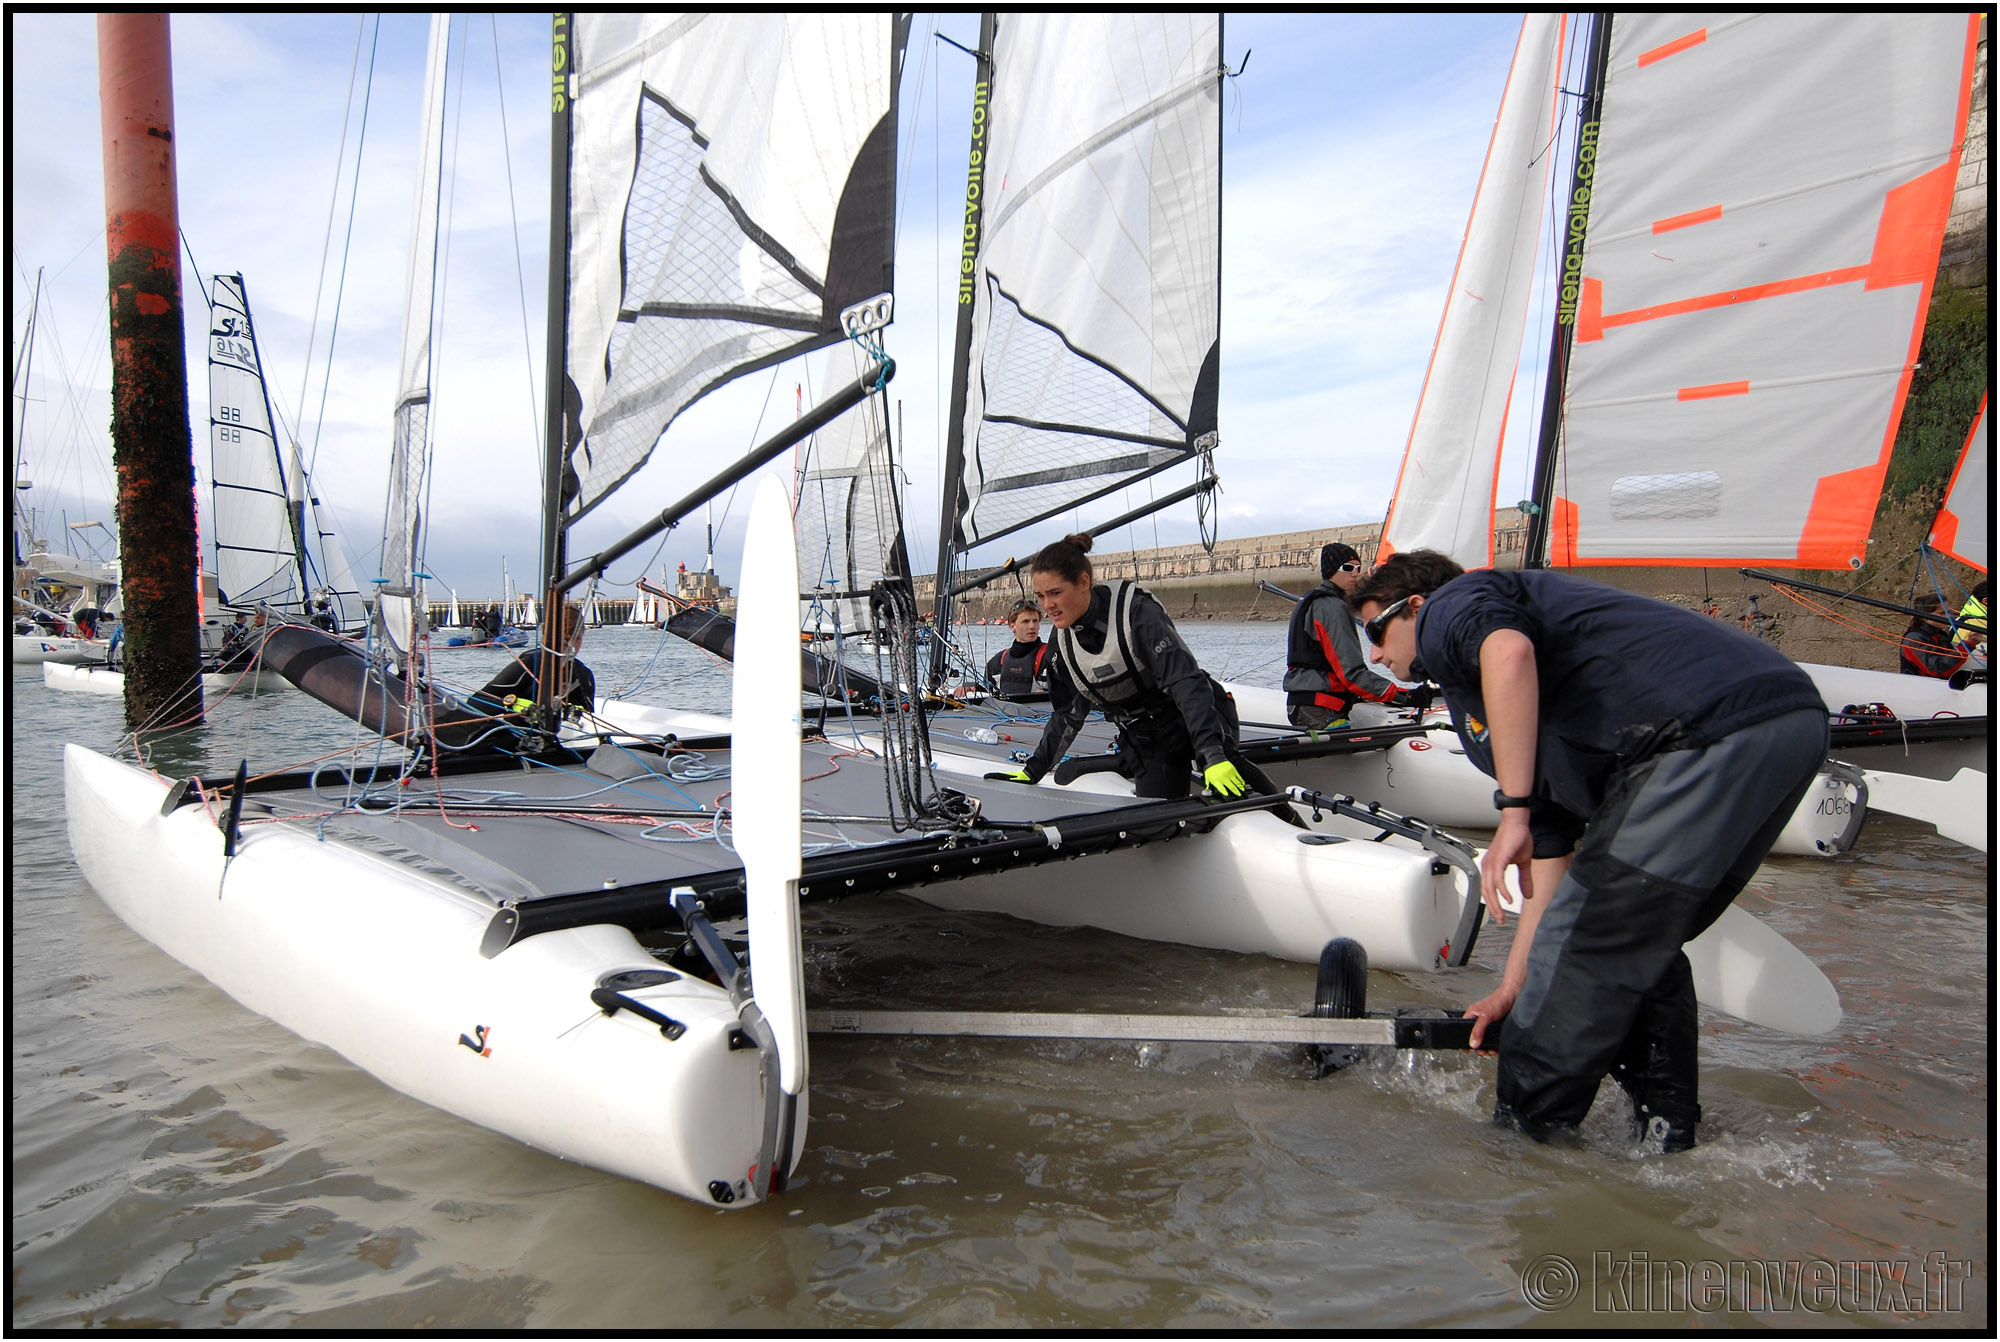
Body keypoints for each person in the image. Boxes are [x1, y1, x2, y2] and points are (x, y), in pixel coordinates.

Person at [1353, 550, 1828, 1152]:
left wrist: (1513, 810)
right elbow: (1549, 883)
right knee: (1635, 946)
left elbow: (1509, 652)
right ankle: (1664, 1144)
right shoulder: (1496, 718)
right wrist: (1513, 987)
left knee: (1587, 957)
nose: (1373, 654)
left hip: (1704, 730)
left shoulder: (1453, 606)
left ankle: (1521, 1155)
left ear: (1415, 607)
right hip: (1789, 718)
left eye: (1375, 630)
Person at [996, 533, 1279, 802]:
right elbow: (1068, 716)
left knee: (1233, 792)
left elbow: (1185, 682)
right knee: (1162, 820)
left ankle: (1281, 810)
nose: (1047, 606)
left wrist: (1213, 756)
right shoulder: (1061, 643)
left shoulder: (1137, 614)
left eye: (1055, 593)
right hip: (1151, 738)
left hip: (1201, 717)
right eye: (1041, 596)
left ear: (1084, 582)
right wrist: (1033, 770)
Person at [1283, 541, 1419, 732]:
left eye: (1358, 567)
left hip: (1304, 703)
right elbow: (1351, 673)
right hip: (1320, 709)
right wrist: (1405, 696)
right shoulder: (1332, 607)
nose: (1355, 573)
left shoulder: (1312, 600)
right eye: (1348, 568)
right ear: (1331, 571)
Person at [470, 601, 595, 718]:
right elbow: (475, 702)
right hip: (518, 735)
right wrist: (512, 704)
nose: (570, 645)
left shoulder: (585, 675)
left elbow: (591, 717)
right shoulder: (528, 665)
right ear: (549, 637)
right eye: (564, 639)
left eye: (577, 639)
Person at [984, 598, 1051, 699]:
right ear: (1012, 626)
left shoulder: (1050, 658)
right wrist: (970, 687)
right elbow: (984, 689)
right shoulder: (997, 663)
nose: (1032, 626)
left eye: (1035, 621)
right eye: (1026, 622)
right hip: (1003, 712)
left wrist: (1048, 694)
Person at [1898, 594, 1967, 678]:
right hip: (1919, 687)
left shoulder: (1940, 634)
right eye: (1942, 613)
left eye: (1949, 612)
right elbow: (1937, 669)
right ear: (1925, 616)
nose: (1948, 617)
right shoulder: (1913, 639)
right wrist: (1966, 646)